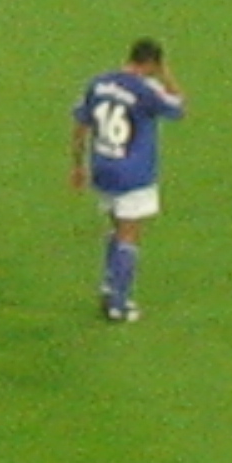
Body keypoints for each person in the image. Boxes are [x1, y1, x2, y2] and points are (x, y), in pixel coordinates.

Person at [70, 38, 185, 322]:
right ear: (153, 63)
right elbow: (179, 107)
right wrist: (166, 75)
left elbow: (81, 125)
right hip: (133, 173)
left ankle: (109, 288)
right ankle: (118, 303)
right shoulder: (146, 90)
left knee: (116, 228)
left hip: (102, 167)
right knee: (129, 235)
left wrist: (77, 166)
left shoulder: (99, 83)